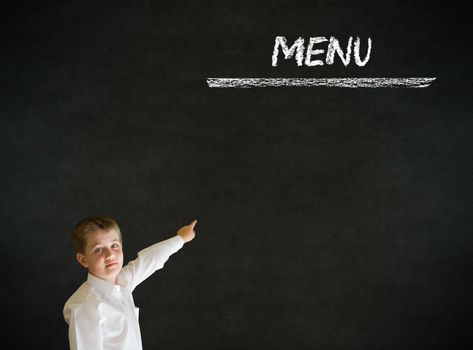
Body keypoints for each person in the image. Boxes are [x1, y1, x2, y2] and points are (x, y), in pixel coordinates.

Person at [63, 216, 197, 350]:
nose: (110, 255)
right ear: (83, 260)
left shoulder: (123, 282)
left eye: (114, 245)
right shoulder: (84, 306)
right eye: (98, 249)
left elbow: (149, 260)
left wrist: (180, 239)